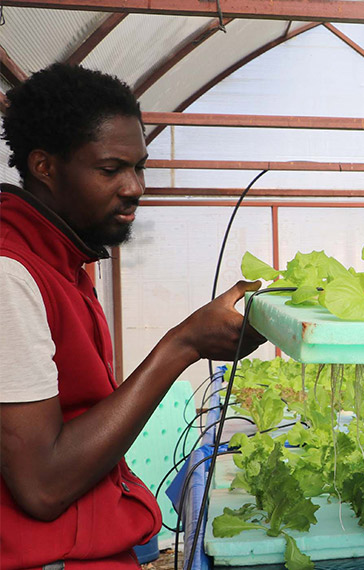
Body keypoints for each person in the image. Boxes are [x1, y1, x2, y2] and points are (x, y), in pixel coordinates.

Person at [0, 64, 265, 567]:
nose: (134, 187)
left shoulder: (65, 259)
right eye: (110, 169)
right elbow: (42, 484)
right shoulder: (10, 273)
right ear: (44, 166)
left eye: (139, 166)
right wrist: (182, 345)